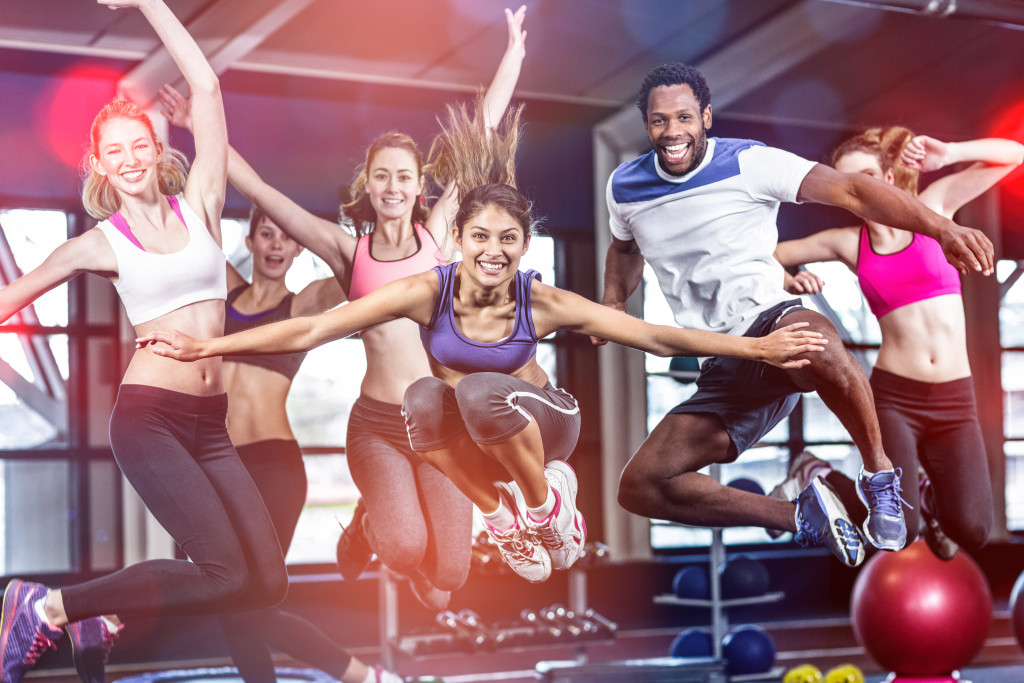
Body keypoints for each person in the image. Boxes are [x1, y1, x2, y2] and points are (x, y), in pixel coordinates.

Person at [136, 103, 828, 585]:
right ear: (457, 241)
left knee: (472, 389)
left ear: (522, 247)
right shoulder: (425, 287)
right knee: (426, 407)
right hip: (469, 431)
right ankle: (504, 517)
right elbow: (314, 327)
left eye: (507, 241)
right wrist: (208, 349)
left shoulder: (542, 297)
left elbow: (652, 333)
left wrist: (756, 350)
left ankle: (546, 502)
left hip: (544, 423)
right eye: (479, 239)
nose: (492, 252)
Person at [159, 4, 529, 608]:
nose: (392, 187)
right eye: (381, 176)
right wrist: (198, 128)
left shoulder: (437, 238)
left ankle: (380, 526)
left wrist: (513, 50)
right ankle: (368, 527)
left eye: (403, 177)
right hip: (379, 424)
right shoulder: (344, 252)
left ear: (417, 187)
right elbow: (261, 192)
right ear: (369, 185)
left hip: (442, 425)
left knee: (451, 578)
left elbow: (480, 133)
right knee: (406, 549)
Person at [598, 62, 996, 567]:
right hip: (721, 360)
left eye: (684, 118)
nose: (672, 132)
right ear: (646, 124)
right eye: (659, 121)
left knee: (818, 343)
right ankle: (798, 515)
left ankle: (878, 477)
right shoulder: (624, 188)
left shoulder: (751, 162)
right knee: (640, 486)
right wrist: (613, 299)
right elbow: (624, 248)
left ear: (707, 117)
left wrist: (941, 229)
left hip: (773, 322)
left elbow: (852, 192)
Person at [0, 1, 288, 682]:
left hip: (210, 425)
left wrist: (148, 3)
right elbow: (13, 296)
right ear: (99, 164)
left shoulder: (204, 203)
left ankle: (91, 613)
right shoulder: (98, 243)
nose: (129, 159)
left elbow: (208, 89)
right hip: (149, 418)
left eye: (139, 146)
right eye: (114, 151)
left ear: (158, 152)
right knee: (222, 568)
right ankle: (46, 608)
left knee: (266, 581)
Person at [771, 127, 1022, 559]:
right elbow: (769, 253)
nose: (864, 190)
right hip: (893, 399)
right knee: (901, 531)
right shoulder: (850, 243)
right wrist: (787, 280)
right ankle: (813, 471)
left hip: (954, 400)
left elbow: (1013, 154)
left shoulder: (934, 208)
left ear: (888, 178)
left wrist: (951, 151)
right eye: (853, 184)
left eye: (869, 177)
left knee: (974, 529)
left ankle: (923, 496)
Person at [214, 209, 400, 683]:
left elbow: (357, 272)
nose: (277, 246)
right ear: (251, 240)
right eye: (266, 234)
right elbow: (192, 229)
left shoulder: (301, 305)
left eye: (287, 238)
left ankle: (362, 675)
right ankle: (365, 677)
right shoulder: (227, 291)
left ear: (299, 249)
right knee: (232, 607)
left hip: (273, 468)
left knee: (250, 607)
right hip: (222, 467)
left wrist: (378, 223)